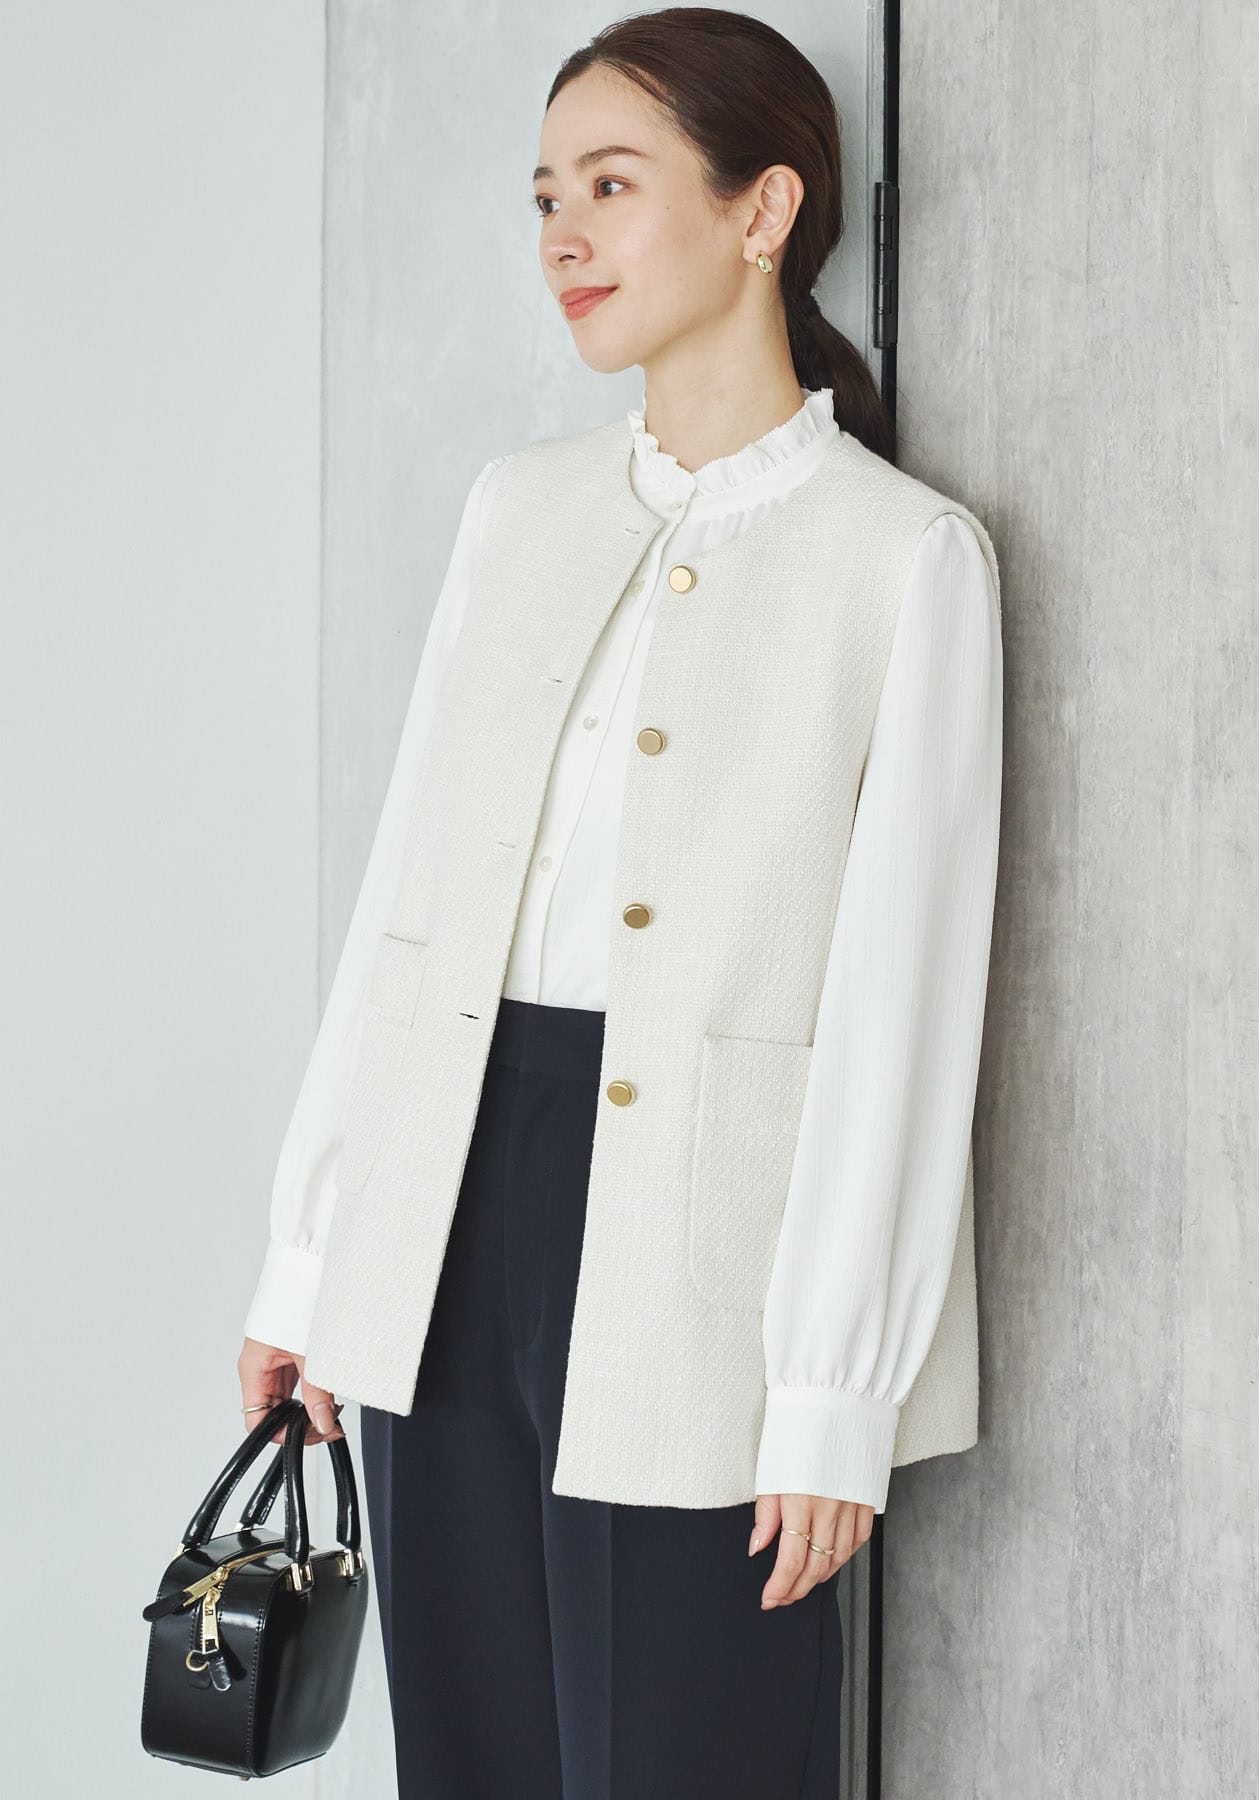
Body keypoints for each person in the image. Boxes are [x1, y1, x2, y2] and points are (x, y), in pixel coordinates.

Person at [236, 9, 1003, 1797]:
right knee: (473, 1756)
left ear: (762, 211)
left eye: (610, 185)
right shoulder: (515, 512)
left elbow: (903, 1006)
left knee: (684, 1757)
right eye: (543, 197)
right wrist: (316, 1252)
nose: (562, 235)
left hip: (705, 1257)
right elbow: (409, 902)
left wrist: (834, 1391)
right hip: (446, 1210)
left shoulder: (903, 557)